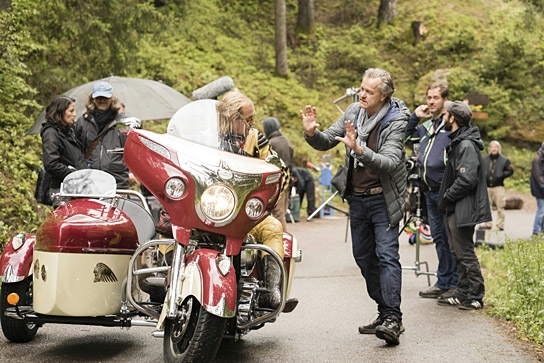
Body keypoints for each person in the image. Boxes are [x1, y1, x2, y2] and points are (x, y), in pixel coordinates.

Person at [300, 68, 409, 345]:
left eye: (369, 91)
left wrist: (359, 149)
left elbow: (391, 161)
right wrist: (312, 132)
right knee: (363, 258)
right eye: (361, 88)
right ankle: (385, 311)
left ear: (383, 95)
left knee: (386, 255)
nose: (362, 94)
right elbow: (328, 140)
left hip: (383, 199)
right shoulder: (353, 112)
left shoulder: (396, 119)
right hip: (358, 198)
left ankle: (393, 319)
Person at [405, 83, 458, 299]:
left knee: (450, 238)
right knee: (438, 237)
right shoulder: (427, 127)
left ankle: (454, 284)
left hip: (446, 190)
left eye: (435, 97)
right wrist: (414, 117)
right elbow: (407, 139)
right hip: (428, 191)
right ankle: (443, 281)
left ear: (444, 99)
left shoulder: (451, 125)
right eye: (429, 97)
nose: (431, 101)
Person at [437, 100, 491, 310]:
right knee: (457, 252)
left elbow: (467, 179)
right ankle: (462, 293)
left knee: (465, 252)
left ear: (453, 118)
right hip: (456, 207)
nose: (443, 117)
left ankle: (476, 296)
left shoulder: (466, 144)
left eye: (445, 114)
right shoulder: (460, 141)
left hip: (463, 207)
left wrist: (447, 196)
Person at [75, 81, 132, 189]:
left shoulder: (123, 121)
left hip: (117, 181)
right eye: (98, 97)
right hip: (89, 180)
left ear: (112, 99)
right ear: (93, 99)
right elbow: (77, 151)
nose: (102, 101)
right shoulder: (83, 121)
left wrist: (132, 173)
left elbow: (131, 151)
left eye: (105, 97)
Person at [40, 96, 87, 205]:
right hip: (62, 190)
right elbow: (51, 164)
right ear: (60, 112)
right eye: (71, 111)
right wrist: (73, 174)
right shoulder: (51, 133)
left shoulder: (68, 130)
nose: (75, 114)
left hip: (76, 189)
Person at [262, 117, 294, 230]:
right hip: (286, 180)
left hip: (276, 182)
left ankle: (283, 241)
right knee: (282, 212)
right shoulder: (284, 140)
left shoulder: (271, 143)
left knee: (278, 215)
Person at [482, 140, 513, 231]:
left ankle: (500, 224)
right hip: (487, 187)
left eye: (495, 147)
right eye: (492, 147)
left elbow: (510, 171)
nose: (494, 149)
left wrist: (501, 175)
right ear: (489, 149)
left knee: (501, 206)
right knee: (487, 207)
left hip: (498, 186)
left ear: (499, 149)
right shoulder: (484, 159)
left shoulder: (505, 160)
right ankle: (488, 223)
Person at [530, 142, 544, 235]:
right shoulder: (537, 159)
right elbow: (538, 176)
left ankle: (542, 230)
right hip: (539, 190)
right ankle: (536, 230)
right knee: (541, 210)